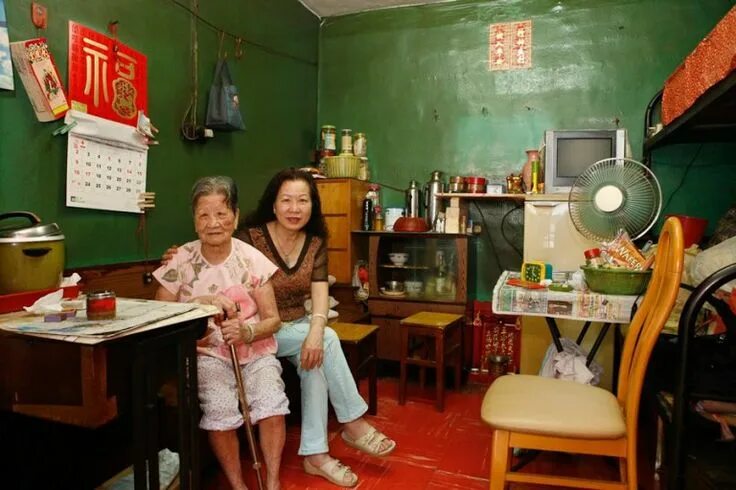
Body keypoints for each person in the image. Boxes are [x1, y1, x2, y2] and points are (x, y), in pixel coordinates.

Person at [164, 169, 395, 487]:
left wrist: (315, 331)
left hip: (289, 328)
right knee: (323, 341)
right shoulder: (251, 236)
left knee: (315, 356)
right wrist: (175, 255)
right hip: (264, 328)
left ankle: (315, 454)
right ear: (273, 204)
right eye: (286, 200)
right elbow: (214, 243)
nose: (294, 208)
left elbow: (320, 297)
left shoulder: (315, 243)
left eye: (303, 200)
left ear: (313, 205)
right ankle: (353, 423)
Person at [154, 176, 288, 490]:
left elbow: (274, 320)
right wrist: (202, 302)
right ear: (194, 220)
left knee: (271, 402)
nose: (214, 223)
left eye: (222, 213)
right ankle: (238, 485)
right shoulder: (182, 259)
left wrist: (247, 331)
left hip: (254, 350)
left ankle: (272, 480)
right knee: (219, 408)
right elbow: (160, 312)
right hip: (207, 353)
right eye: (204, 215)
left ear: (236, 216)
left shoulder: (251, 258)